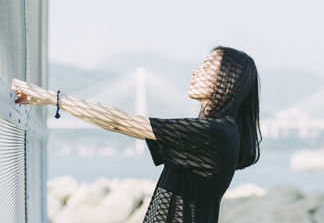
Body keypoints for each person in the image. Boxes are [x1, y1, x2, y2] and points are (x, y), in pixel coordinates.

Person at [11, 45, 262, 223]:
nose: (195, 71)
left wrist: (52, 98)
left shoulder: (215, 133)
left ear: (228, 79)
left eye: (207, 66)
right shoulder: (216, 132)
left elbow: (119, 122)